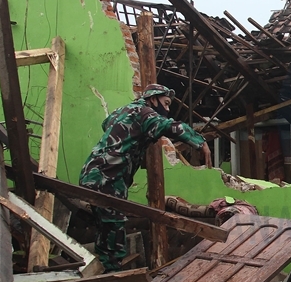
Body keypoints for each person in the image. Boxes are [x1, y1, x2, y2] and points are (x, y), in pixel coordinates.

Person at [79, 84, 211, 271]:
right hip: (107, 177)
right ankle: (111, 278)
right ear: (153, 99)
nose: (166, 109)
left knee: (106, 229)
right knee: (114, 228)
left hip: (92, 173)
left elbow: (106, 123)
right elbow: (169, 126)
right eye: (165, 103)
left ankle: (102, 272)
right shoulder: (144, 113)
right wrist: (200, 142)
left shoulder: (123, 111)